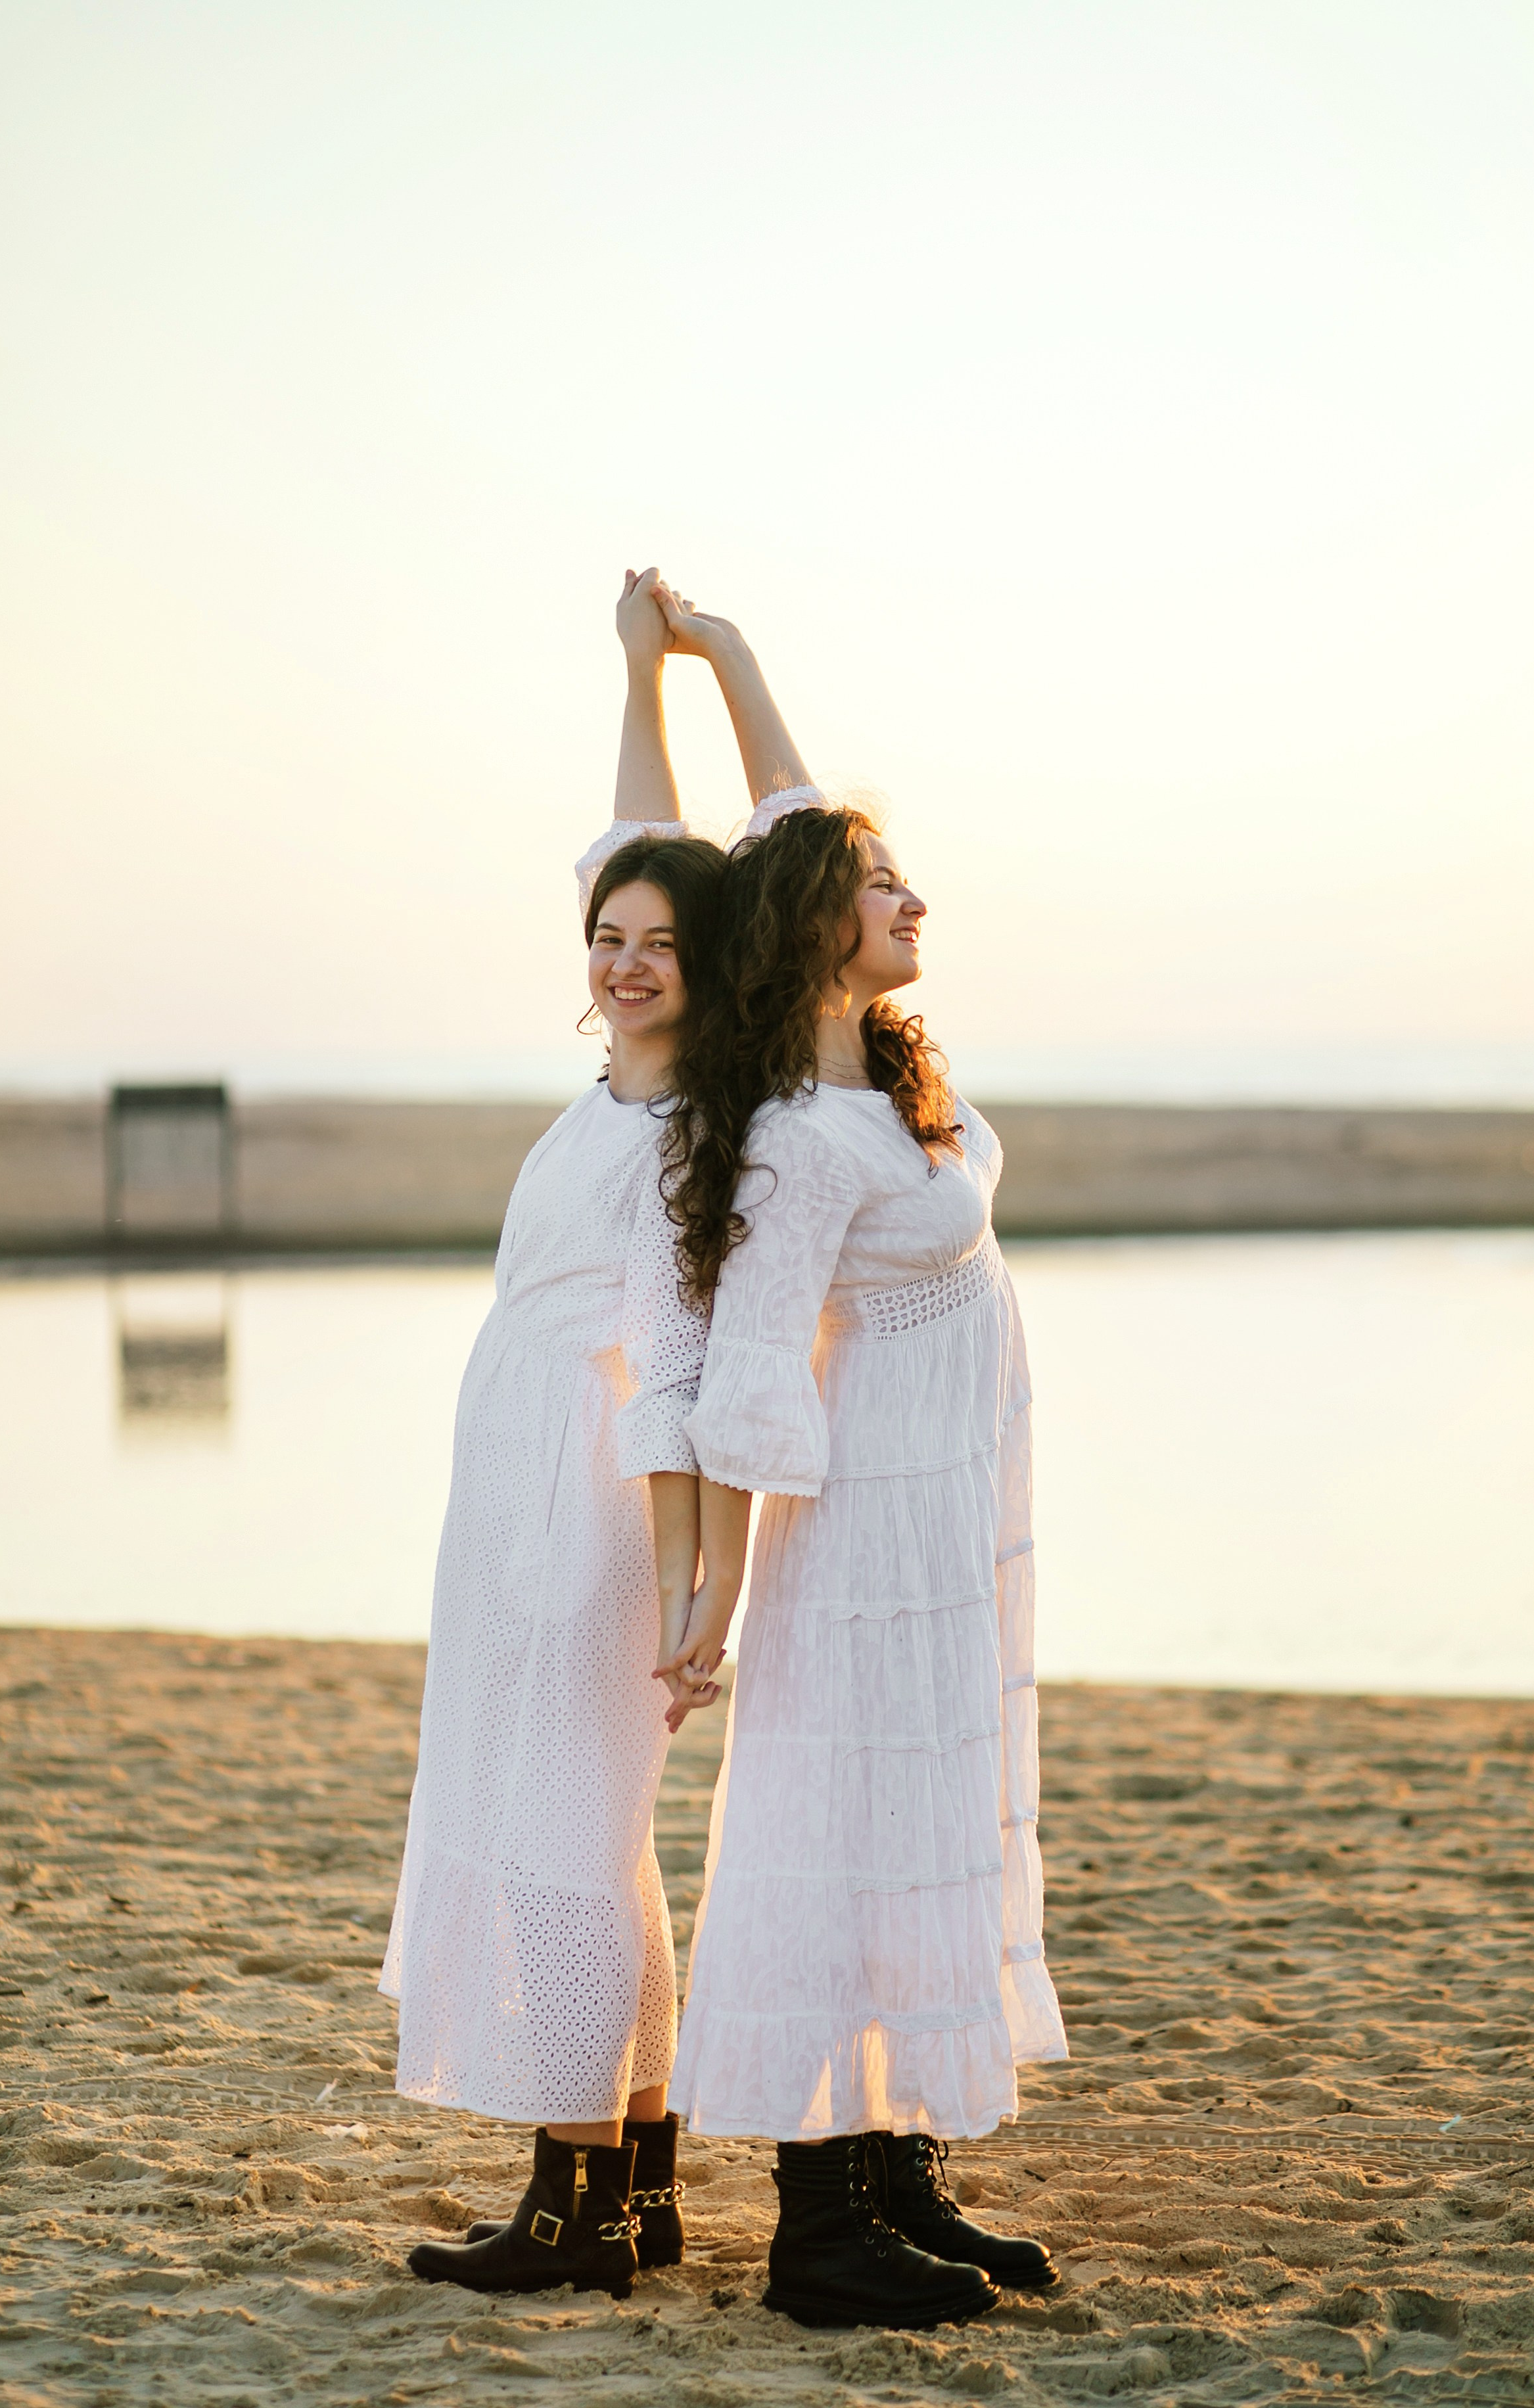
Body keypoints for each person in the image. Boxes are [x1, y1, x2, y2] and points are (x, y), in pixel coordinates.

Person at [651, 585, 1069, 2331]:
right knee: (830, 1837)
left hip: (942, 1523)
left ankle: (898, 2172)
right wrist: (720, 1604)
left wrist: (722, 654)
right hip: (850, 1549)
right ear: (822, 930)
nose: (914, 898)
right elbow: (744, 1384)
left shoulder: (882, 1069)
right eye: (881, 884)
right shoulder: (801, 1142)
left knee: (925, 1827)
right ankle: (817, 2229)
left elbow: (783, 826)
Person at [383, 570, 728, 2303]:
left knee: (553, 1843)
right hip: (521, 1490)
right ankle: (640, 2177)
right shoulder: (613, 1093)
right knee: (590, 1839)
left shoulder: (682, 1139)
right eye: (608, 935)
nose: (619, 957)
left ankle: (571, 2204)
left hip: (581, 1511)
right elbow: (634, 833)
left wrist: (686, 1598)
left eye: (655, 946)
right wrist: (636, 666)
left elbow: (674, 1371)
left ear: (705, 974)